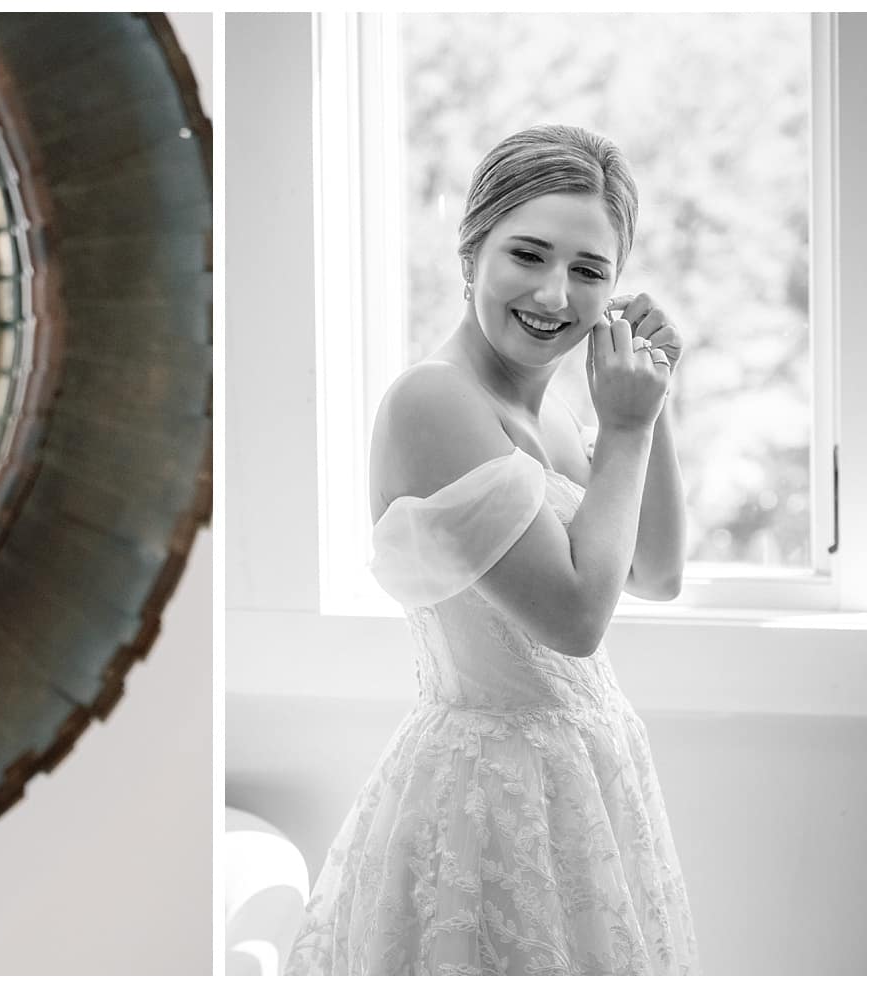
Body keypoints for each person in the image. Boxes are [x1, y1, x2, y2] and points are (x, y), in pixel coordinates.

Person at [283, 125, 698, 975]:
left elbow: (656, 573)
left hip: (588, 780)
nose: (554, 294)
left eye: (590, 270)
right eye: (528, 255)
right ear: (470, 255)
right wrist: (623, 425)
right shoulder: (433, 403)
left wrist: (652, 401)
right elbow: (578, 618)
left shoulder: (553, 408)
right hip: (486, 794)